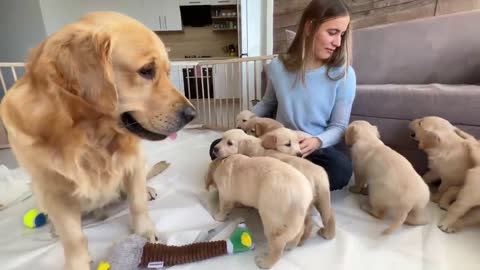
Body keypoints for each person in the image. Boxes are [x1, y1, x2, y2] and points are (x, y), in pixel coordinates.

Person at [209, 0, 356, 191]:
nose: (338, 43)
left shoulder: (344, 74)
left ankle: (271, 178)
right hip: (273, 144)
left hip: (310, 149)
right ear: (310, 27)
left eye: (342, 35)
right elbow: (267, 102)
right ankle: (286, 179)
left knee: (341, 170)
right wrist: (245, 121)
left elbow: (339, 127)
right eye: (332, 32)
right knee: (216, 147)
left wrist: (316, 141)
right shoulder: (278, 66)